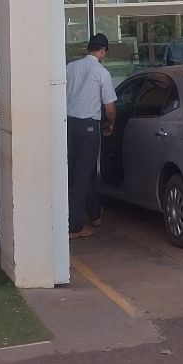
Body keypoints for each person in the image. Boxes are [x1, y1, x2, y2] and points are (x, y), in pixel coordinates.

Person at [65, 33, 117, 240]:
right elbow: (110, 108)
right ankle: (74, 226)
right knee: (83, 176)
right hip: (88, 127)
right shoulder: (102, 72)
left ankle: (95, 213)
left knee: (76, 173)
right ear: (102, 50)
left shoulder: (70, 67)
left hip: (69, 125)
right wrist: (110, 123)